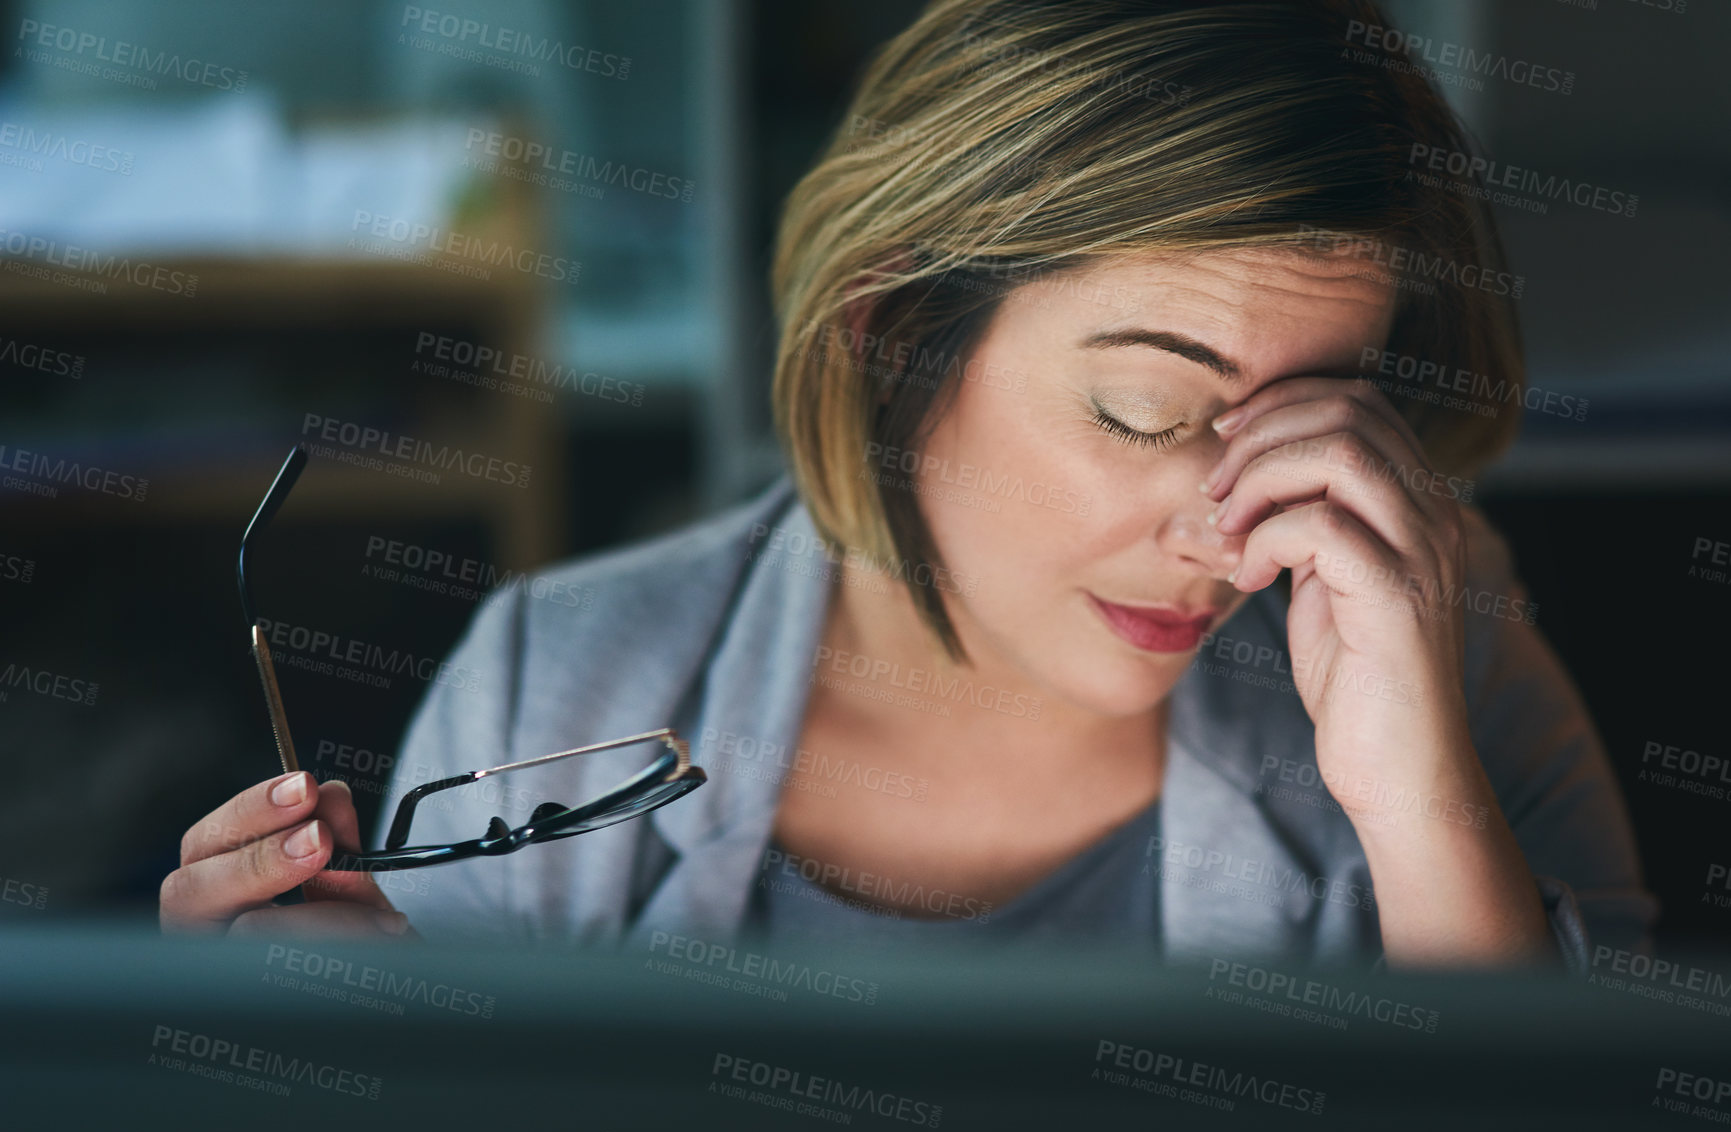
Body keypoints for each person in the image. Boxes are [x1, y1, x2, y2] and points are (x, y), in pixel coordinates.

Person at [160, 0, 1656, 971]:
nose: (1236, 539)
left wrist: (1421, 816)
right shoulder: (561, 690)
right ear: (894, 339)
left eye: (1316, 419)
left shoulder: (1440, 650)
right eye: (1144, 410)